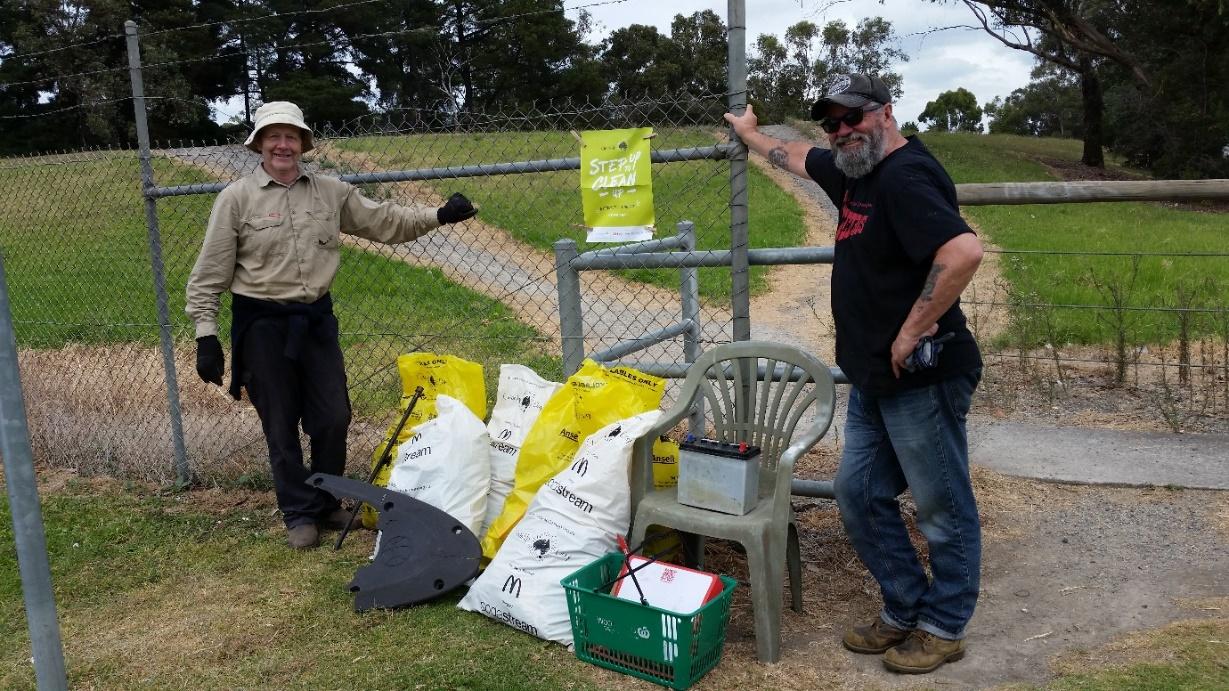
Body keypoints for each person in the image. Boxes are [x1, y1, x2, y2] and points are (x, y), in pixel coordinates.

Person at [724, 74, 984, 674]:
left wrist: (913, 328)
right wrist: (751, 134)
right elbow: (794, 158)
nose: (842, 131)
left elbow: (963, 252)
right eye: (832, 123)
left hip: (924, 376)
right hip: (874, 378)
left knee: (940, 504)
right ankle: (904, 609)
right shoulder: (854, 172)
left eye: (853, 118)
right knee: (859, 494)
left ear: (885, 112)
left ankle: (943, 626)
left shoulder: (906, 178)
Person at [186, 101, 478, 550]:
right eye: (273, 136)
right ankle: (299, 512)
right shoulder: (236, 199)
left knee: (333, 416)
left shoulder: (330, 192)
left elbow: (385, 222)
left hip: (316, 321)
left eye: (291, 137)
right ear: (259, 144)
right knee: (279, 424)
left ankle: (326, 501)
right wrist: (206, 335)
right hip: (261, 324)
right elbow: (209, 274)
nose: (283, 145)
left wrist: (437, 215)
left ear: (303, 144)